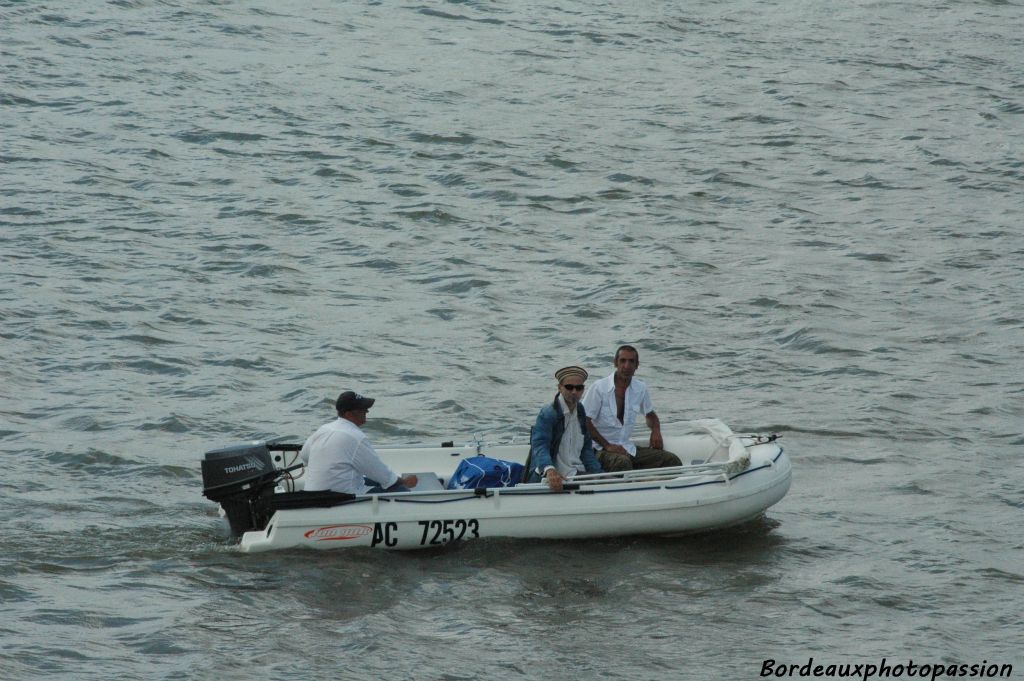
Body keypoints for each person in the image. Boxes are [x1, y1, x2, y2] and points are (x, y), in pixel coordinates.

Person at [581, 345, 681, 472]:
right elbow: (584, 420)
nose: (627, 366)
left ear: (637, 365)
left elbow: (650, 414)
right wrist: (608, 446)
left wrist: (656, 430)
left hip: (627, 448)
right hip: (599, 449)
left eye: (631, 361)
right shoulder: (599, 388)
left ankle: (652, 487)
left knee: (671, 461)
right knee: (622, 463)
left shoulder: (640, 388)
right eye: (622, 361)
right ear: (615, 363)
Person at [301, 390, 417, 495]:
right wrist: (405, 482)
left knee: (372, 480)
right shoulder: (355, 437)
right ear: (348, 414)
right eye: (361, 409)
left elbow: (304, 456)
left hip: (313, 495)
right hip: (340, 497)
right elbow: (383, 476)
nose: (367, 410)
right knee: (401, 490)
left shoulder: (323, 429)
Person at [526, 366, 603, 491]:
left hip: (577, 470)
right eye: (569, 387)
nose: (574, 391)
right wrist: (549, 469)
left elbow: (586, 448)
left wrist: (599, 474)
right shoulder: (548, 413)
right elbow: (540, 445)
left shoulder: (581, 411)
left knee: (610, 479)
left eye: (579, 388)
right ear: (560, 387)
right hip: (559, 474)